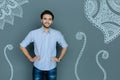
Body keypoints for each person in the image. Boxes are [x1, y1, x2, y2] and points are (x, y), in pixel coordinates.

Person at [19, 10, 68, 80]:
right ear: (41, 20)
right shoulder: (33, 33)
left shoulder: (57, 34)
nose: (47, 21)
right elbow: (22, 46)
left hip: (52, 68)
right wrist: (30, 58)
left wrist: (59, 59)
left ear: (52, 21)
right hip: (38, 67)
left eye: (49, 19)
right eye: (45, 19)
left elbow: (65, 46)